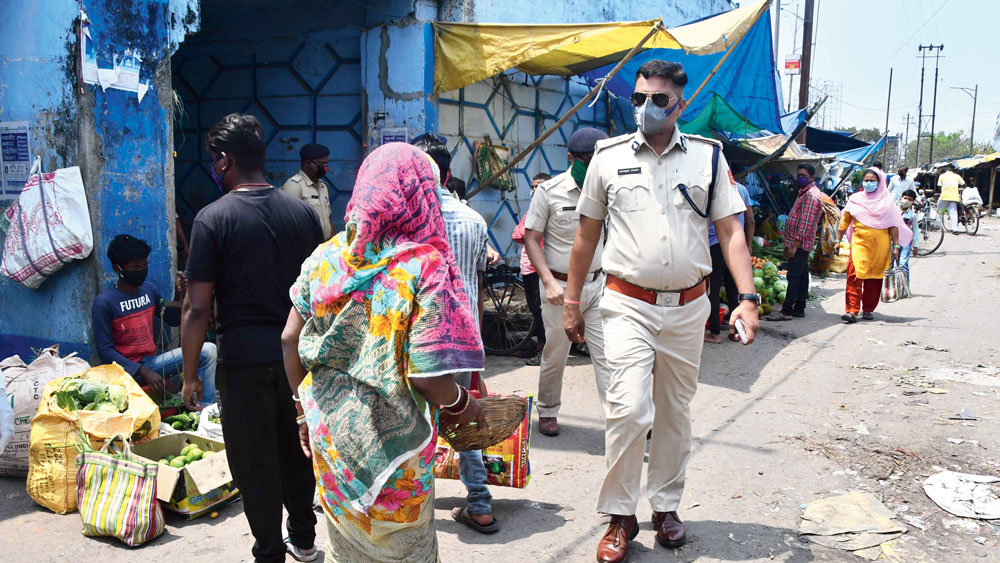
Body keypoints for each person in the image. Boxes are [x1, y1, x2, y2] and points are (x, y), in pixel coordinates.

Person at [562, 60, 759, 562]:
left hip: (690, 307)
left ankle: (665, 507)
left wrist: (748, 298)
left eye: (659, 100)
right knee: (628, 409)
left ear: (680, 104)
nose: (647, 108)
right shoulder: (607, 158)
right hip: (627, 303)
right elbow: (585, 237)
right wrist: (570, 300)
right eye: (639, 99)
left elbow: (733, 232)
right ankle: (620, 515)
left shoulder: (708, 158)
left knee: (674, 412)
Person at [280, 143, 486, 562]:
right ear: (422, 193)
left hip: (331, 435)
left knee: (348, 550)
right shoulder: (422, 265)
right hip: (399, 450)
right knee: (405, 550)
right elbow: (427, 377)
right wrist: (464, 405)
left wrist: (302, 414)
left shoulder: (326, 257)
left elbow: (288, 339)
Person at [180, 114, 323, 563]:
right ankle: (304, 540)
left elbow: (197, 307)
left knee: (254, 461)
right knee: (298, 449)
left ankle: (268, 551)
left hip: (242, 363)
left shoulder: (212, 219)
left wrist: (189, 377)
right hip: (298, 357)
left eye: (215, 160)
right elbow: (318, 294)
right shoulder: (302, 214)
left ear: (226, 160)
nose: (214, 167)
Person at [412, 135, 499, 534]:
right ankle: (479, 503)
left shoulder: (408, 221)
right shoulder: (473, 220)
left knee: (415, 423)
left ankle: (416, 505)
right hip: (463, 340)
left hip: (416, 341)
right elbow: (477, 285)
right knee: (464, 417)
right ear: (447, 173)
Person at [523, 128, 611, 437]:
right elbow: (531, 238)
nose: (593, 166)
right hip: (559, 289)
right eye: (587, 160)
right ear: (571, 159)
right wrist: (547, 281)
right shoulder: (549, 191)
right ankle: (547, 410)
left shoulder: (607, 190)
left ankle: (619, 418)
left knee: (607, 355)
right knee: (556, 353)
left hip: (598, 286)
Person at [92, 234, 217, 404]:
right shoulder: (104, 303)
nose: (141, 271)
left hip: (152, 363)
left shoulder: (149, 290)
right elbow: (105, 351)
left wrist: (187, 294)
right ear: (117, 269)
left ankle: (206, 409)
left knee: (208, 350)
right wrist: (141, 370)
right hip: (124, 371)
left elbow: (171, 318)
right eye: (135, 268)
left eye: (144, 266)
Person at [836, 167, 912, 323]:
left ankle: (868, 309)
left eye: (872, 181)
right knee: (854, 276)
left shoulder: (887, 201)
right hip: (859, 244)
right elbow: (845, 221)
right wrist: (838, 240)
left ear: (880, 182)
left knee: (874, 279)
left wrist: (896, 246)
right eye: (866, 180)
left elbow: (893, 225)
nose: (868, 183)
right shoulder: (855, 199)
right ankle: (852, 310)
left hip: (880, 246)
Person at [766, 164, 824, 321]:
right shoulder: (803, 193)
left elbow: (805, 224)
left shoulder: (811, 196)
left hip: (800, 244)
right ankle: (799, 308)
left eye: (804, 175)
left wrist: (794, 246)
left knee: (793, 277)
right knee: (803, 275)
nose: (800, 178)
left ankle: (786, 311)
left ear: (812, 178)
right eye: (799, 175)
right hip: (797, 243)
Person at [706, 171, 754, 342]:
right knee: (735, 291)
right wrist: (748, 245)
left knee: (713, 292)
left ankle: (715, 333)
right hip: (735, 245)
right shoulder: (742, 190)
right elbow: (750, 219)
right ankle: (736, 333)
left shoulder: (710, 189)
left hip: (714, 246)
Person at [512, 172, 551, 366]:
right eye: (534, 187)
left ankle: (545, 352)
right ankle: (540, 345)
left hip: (539, 268)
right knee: (536, 310)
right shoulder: (534, 209)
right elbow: (518, 234)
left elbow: (520, 232)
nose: (536, 190)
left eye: (540, 186)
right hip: (529, 268)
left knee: (541, 310)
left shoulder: (546, 209)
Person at [281, 142, 333, 240]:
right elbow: (287, 224)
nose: (325, 168)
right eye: (321, 164)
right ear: (308, 163)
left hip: (323, 249)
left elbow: (328, 218)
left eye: (326, 164)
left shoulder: (323, 186)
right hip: (305, 249)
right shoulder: (294, 186)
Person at [898, 189, 920, 284]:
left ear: (912, 202)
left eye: (909, 199)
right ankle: (890, 287)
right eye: (905, 198)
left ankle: (904, 287)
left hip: (906, 242)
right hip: (892, 241)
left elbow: (915, 230)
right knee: (889, 264)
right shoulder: (893, 211)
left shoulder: (912, 215)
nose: (906, 200)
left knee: (903, 264)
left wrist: (915, 245)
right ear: (901, 198)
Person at [936, 165, 965, 233]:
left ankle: (938, 227)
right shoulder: (956, 176)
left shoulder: (942, 176)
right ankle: (955, 229)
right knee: (953, 213)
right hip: (954, 197)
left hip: (944, 197)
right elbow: (964, 184)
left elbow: (939, 187)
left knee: (940, 211)